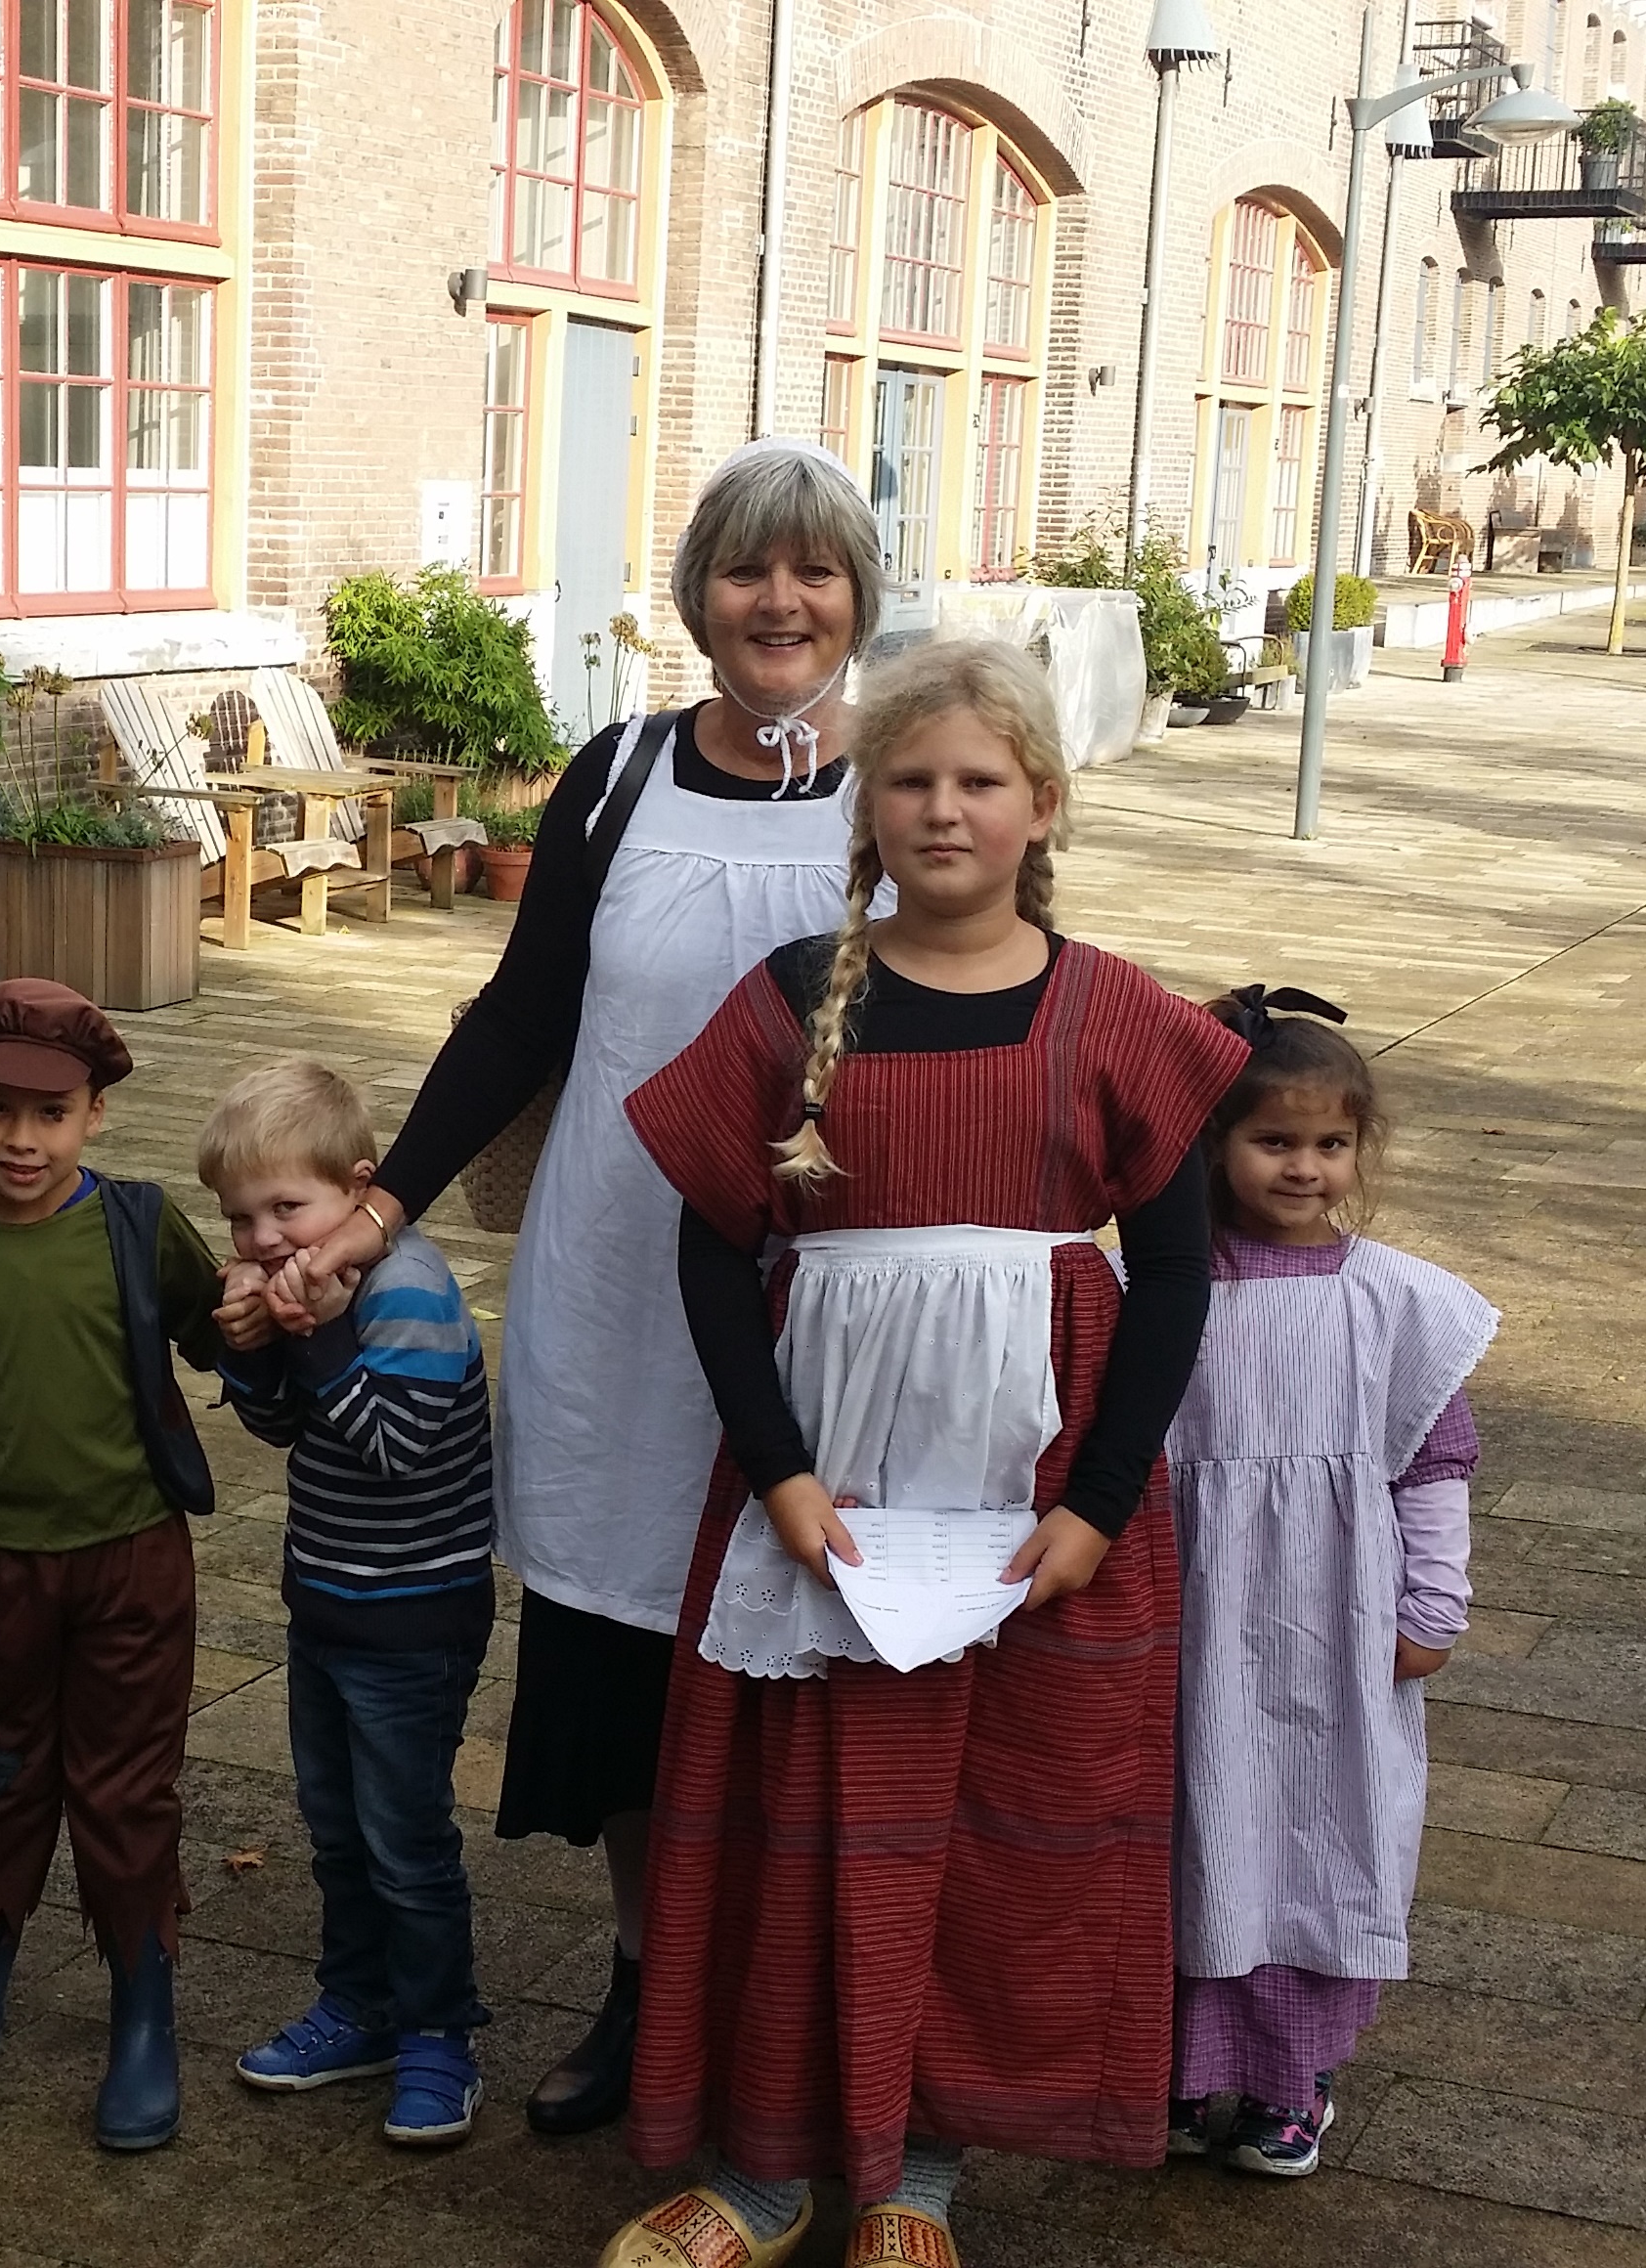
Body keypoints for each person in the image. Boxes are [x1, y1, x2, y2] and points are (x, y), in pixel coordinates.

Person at [604, 641, 1254, 2268]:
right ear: (862, 800)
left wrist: (1098, 1507)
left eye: (977, 780)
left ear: (1040, 801)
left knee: (984, 1838)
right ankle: (760, 2176)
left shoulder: (1118, 1017)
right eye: (907, 779)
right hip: (816, 1494)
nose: (941, 809)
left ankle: (918, 2181)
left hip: (1036, 1513)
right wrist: (777, 1477)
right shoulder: (780, 1006)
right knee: (789, 1819)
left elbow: (1171, 1276)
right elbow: (708, 1257)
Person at [286, 437, 887, 2135]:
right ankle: (646, 1976)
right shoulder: (615, 776)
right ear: (695, 594)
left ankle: (792, 1983)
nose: (779, 600)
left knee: (806, 1645)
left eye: (814, 571)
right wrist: (379, 1202)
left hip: (824, 1302)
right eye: (745, 569)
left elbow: (1002, 998)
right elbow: (521, 1011)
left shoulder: (906, 778)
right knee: (626, 1637)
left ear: (858, 598)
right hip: (619, 1284)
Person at [0, 978, 227, 2154]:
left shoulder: (136, 1224)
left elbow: (218, 1325)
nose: (23, 1140)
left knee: (126, 1792)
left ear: (95, 1115)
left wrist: (296, 1314)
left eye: (52, 1114)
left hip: (132, 1562)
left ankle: (142, 2015)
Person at [1165, 988, 1497, 2178]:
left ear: (1359, 1150)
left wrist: (1431, 1605)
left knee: (1314, 1830)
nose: (1303, 1166)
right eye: (1272, 1140)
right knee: (1198, 1825)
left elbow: (1435, 1459)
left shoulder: (1395, 1301)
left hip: (1334, 1625)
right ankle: (1181, 2064)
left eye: (1329, 1143)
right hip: (1197, 1621)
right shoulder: (1166, 1288)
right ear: (1212, 1144)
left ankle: (1288, 2077)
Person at [198, 1059, 497, 2148]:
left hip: (413, 1616)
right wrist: (256, 1356)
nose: (266, 1236)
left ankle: (437, 2029)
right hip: (325, 1603)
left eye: (289, 1205)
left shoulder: (406, 1289)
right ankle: (360, 2003)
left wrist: (314, 1337)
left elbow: (393, 1451)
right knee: (335, 1830)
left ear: (359, 1190)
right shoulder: (307, 1291)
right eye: (241, 1217)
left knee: (405, 1837)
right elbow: (290, 1434)